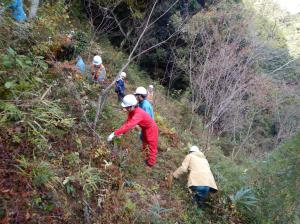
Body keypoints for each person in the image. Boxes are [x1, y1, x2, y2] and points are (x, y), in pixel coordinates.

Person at [107, 94, 158, 167]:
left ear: (132, 105)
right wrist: (122, 132)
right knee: (144, 141)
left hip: (152, 128)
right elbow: (127, 122)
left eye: (127, 107)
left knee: (152, 145)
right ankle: (145, 156)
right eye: (125, 107)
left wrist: (114, 133)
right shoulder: (132, 111)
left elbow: (129, 125)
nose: (126, 109)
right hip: (144, 128)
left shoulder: (138, 113)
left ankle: (150, 163)